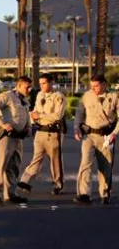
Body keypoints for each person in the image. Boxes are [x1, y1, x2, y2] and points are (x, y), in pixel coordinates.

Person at [16, 73, 67, 196]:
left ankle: (57, 184)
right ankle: (25, 181)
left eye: (44, 83)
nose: (42, 86)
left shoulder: (58, 97)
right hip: (40, 131)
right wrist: (33, 118)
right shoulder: (39, 95)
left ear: (51, 82)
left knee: (55, 161)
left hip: (53, 133)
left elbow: (57, 116)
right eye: (40, 84)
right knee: (36, 158)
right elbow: (35, 111)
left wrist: (40, 116)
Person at [73, 74, 119, 205]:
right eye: (92, 86)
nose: (94, 88)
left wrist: (114, 133)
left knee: (106, 166)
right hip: (89, 136)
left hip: (106, 136)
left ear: (104, 84)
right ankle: (84, 194)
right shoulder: (87, 96)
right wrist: (77, 128)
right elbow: (79, 114)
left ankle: (105, 194)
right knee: (85, 163)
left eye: (97, 86)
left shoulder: (114, 97)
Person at [0, 76, 33, 205]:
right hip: (5, 136)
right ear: (18, 85)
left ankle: (10, 193)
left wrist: (29, 126)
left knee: (14, 166)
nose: (29, 89)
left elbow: (27, 115)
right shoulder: (7, 96)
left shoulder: (24, 100)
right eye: (26, 86)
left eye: (30, 86)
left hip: (18, 137)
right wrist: (2, 124)